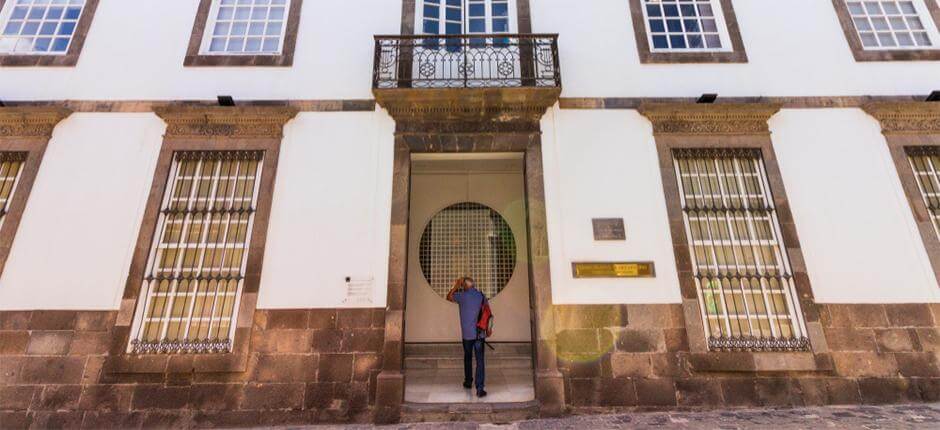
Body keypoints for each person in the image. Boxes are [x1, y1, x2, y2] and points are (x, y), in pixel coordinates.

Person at [446, 276, 488, 397]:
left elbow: (448, 297)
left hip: (467, 335)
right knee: (480, 361)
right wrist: (488, 329)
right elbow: (487, 313)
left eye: (462, 285)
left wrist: (456, 286)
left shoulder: (462, 296)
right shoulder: (481, 295)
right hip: (480, 333)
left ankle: (468, 382)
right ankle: (480, 389)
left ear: (464, 286)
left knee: (468, 358)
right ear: (473, 285)